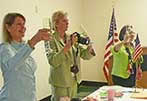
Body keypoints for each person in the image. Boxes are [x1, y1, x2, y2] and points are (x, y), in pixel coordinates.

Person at [44, 11, 96, 101]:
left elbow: (84, 55)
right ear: (56, 23)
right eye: (64, 21)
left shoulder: (70, 37)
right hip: (60, 83)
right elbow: (53, 61)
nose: (68, 23)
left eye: (67, 21)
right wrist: (68, 46)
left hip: (73, 81)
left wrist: (90, 47)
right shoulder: (50, 39)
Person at [0, 13, 52, 101]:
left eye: (24, 24)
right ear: (8, 27)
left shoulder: (24, 47)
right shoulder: (5, 48)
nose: (23, 28)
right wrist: (34, 40)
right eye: (19, 24)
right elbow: (12, 65)